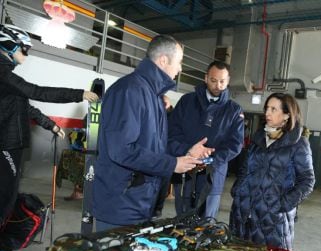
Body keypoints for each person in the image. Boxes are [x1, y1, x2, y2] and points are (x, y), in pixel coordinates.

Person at [92, 35, 205, 232]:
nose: (180, 69)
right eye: (179, 62)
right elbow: (121, 150)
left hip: (141, 203)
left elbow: (155, 146)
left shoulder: (153, 96)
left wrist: (187, 153)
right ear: (163, 60)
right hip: (121, 205)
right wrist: (172, 164)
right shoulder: (129, 91)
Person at [0, 24, 98, 227]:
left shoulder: (6, 75)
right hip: (5, 144)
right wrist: (78, 94)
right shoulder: (3, 74)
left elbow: (24, 106)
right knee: (4, 197)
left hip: (11, 143)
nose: (26, 54)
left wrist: (51, 125)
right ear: (8, 46)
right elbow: (38, 92)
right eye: (23, 48)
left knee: (8, 196)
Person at [229, 92, 315, 251]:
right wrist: (237, 190)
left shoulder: (298, 144)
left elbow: (307, 181)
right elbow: (244, 169)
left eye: (273, 109)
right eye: (267, 108)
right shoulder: (258, 138)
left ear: (286, 115)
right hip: (242, 212)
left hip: (273, 218)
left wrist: (283, 204)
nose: (267, 113)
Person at [168, 60, 244, 218]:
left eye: (222, 81)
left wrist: (210, 160)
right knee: (181, 221)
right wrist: (188, 151)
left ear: (228, 81)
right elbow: (172, 133)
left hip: (213, 175)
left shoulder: (234, 111)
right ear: (205, 78)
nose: (218, 85)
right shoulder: (187, 101)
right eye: (213, 80)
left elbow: (235, 145)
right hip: (185, 169)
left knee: (206, 225)